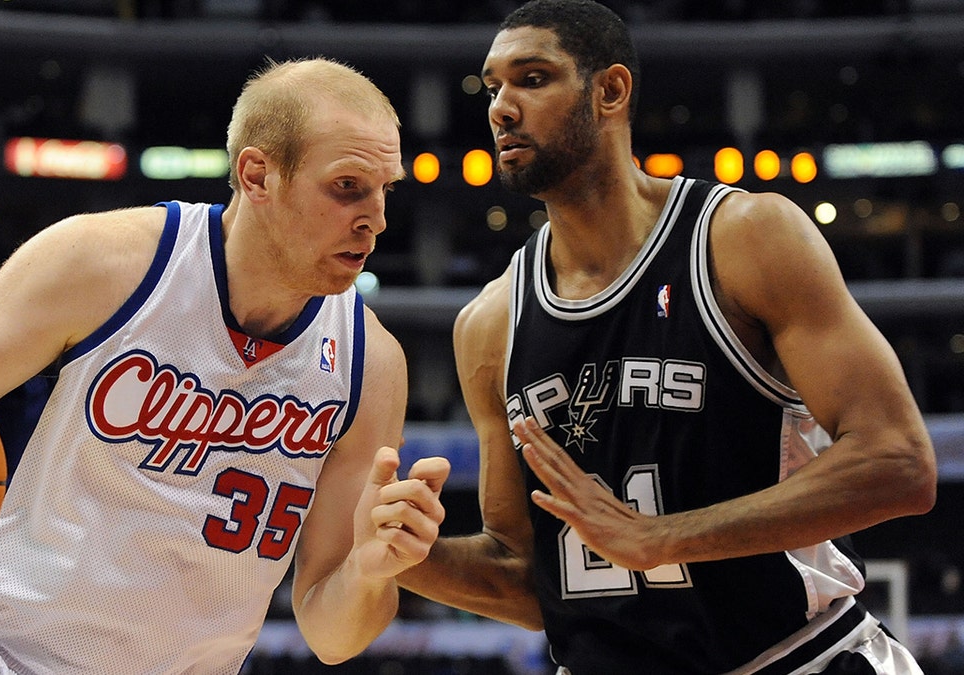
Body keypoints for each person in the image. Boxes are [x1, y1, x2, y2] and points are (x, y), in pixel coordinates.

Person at [0, 57, 451, 674]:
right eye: (347, 188)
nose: (376, 219)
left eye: (383, 190)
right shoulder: (103, 266)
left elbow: (333, 633)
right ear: (257, 175)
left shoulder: (372, 364)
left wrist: (369, 570)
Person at [397, 1, 938, 673]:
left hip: (798, 657)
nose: (501, 108)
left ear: (611, 91)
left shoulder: (744, 239)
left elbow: (899, 463)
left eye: (532, 79)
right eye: (493, 86)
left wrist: (659, 537)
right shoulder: (488, 324)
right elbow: (534, 579)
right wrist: (410, 556)